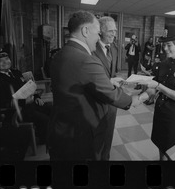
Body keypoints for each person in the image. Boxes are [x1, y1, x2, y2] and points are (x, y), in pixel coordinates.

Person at [47, 11, 142, 161]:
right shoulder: (85, 59)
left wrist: (108, 81)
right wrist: (141, 97)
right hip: (79, 135)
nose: (98, 38)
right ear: (85, 31)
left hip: (61, 128)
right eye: (98, 33)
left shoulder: (60, 54)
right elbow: (114, 96)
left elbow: (77, 81)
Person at [139, 24, 175, 160]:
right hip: (160, 111)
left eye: (168, 45)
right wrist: (140, 98)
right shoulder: (162, 64)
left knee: (172, 148)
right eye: (164, 45)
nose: (164, 48)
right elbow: (153, 87)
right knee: (160, 144)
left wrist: (158, 86)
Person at [0, 50, 50, 145]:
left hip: (31, 105)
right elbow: (2, 102)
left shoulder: (16, 72)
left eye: (6, 59)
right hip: (17, 111)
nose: (5, 62)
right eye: (1, 61)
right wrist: (23, 102)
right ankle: (45, 142)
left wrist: (36, 97)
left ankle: (49, 136)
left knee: (51, 109)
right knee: (44, 120)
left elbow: (27, 88)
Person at [93, 16, 125, 160]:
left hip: (111, 102)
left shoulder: (114, 48)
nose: (114, 34)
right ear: (100, 31)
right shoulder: (91, 49)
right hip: (96, 102)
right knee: (97, 137)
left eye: (115, 31)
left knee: (108, 134)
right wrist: (109, 81)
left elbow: (111, 71)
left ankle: (105, 158)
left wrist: (115, 80)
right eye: (110, 31)